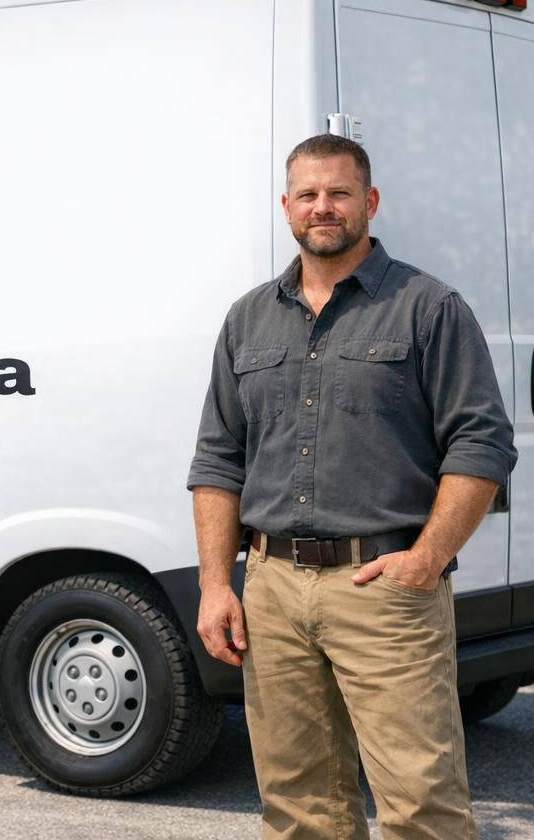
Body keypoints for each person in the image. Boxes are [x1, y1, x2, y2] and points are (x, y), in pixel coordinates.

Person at [187, 133, 517, 839]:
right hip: (272, 590)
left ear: (370, 201)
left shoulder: (428, 307)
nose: (323, 207)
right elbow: (218, 458)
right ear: (286, 207)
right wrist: (217, 584)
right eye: (307, 194)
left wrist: (426, 559)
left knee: (421, 805)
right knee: (297, 807)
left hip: (385, 589)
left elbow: (483, 444)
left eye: (339, 192)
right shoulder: (248, 318)